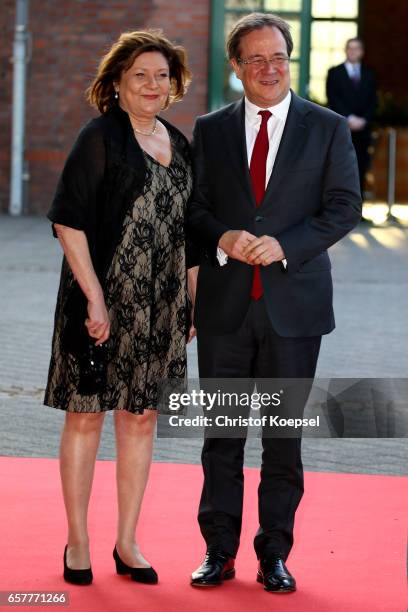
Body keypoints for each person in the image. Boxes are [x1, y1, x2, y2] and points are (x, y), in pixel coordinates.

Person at [187, 13, 361, 593]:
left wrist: (286, 244)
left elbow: (343, 207)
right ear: (236, 68)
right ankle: (218, 550)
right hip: (225, 312)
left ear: (291, 61)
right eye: (255, 59)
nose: (269, 68)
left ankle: (274, 554)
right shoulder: (210, 130)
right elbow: (196, 207)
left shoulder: (328, 126)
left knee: (283, 438)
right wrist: (224, 236)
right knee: (223, 436)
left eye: (278, 57)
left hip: (295, 311)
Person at [43, 29, 197, 585]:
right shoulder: (99, 137)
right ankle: (77, 541)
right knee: (86, 416)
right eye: (140, 76)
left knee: (142, 417)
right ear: (116, 84)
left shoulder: (181, 146)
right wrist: (96, 298)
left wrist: (192, 306)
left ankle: (127, 541)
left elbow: (192, 237)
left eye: (161, 75)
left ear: (174, 84)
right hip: (98, 305)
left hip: (160, 310)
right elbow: (68, 221)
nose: (152, 85)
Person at [326, 37, 377, 199]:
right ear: (346, 50)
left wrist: (364, 120)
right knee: (340, 168)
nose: (353, 51)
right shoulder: (334, 72)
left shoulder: (370, 74)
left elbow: (373, 101)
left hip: (363, 130)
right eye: (350, 48)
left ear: (361, 52)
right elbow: (332, 98)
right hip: (342, 128)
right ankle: (339, 208)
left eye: (357, 48)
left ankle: (359, 208)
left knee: (361, 167)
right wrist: (348, 118)